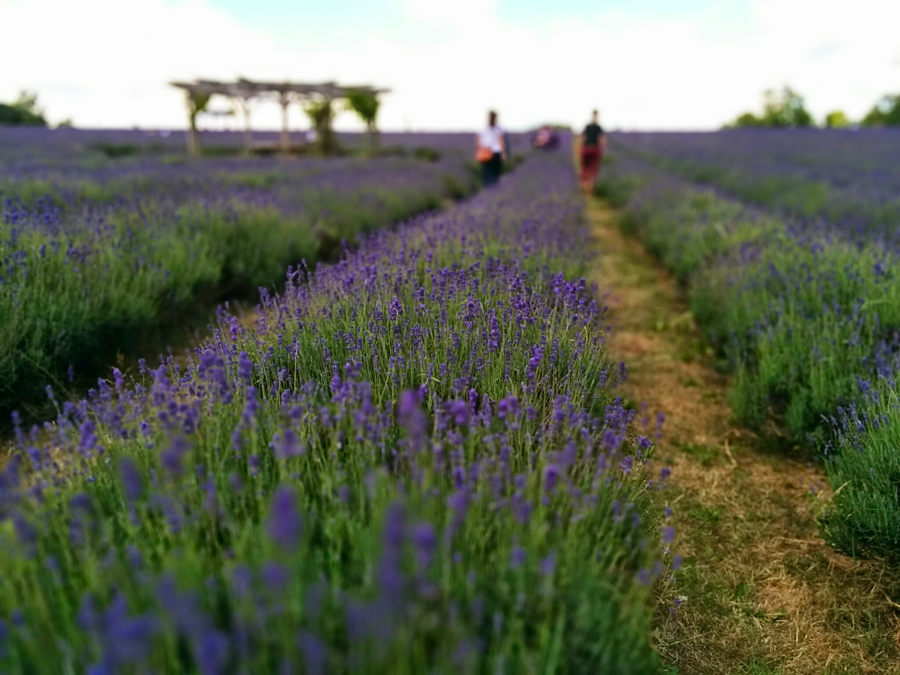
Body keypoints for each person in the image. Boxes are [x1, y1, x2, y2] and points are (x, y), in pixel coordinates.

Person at [476, 111, 507, 187]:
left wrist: (503, 154)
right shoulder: (483, 129)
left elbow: (501, 142)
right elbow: (478, 141)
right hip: (486, 153)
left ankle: (494, 187)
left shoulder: (498, 129)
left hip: (496, 152)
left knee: (496, 172)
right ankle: (488, 188)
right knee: (486, 172)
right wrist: (479, 151)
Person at [580, 110, 606, 193]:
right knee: (594, 167)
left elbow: (582, 138)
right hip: (595, 149)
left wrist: (580, 149)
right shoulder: (598, 127)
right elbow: (602, 140)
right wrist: (602, 150)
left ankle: (584, 184)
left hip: (586, 148)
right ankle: (591, 185)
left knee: (585, 167)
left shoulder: (587, 126)